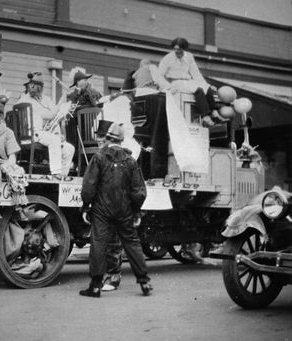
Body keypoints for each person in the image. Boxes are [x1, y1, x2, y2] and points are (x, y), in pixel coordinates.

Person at [79, 123, 152, 297]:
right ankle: (145, 282)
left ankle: (95, 286)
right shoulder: (131, 161)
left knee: (98, 243)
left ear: (107, 139)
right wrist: (136, 211)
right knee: (132, 243)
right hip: (124, 210)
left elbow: (89, 187)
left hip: (102, 210)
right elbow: (139, 192)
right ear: (121, 140)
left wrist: (85, 206)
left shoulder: (98, 157)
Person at [17, 72, 75, 180]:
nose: (31, 89)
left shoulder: (43, 99)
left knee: (69, 149)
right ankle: (56, 173)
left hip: (42, 134)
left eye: (34, 87)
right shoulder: (27, 100)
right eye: (31, 86)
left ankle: (62, 176)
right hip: (33, 134)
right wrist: (63, 97)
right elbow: (52, 114)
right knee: (54, 140)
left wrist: (57, 133)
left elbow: (53, 113)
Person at [158, 37, 219, 127]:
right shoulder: (167, 58)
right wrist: (167, 86)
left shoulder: (189, 56)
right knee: (198, 90)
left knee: (206, 87)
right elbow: (159, 75)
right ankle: (205, 116)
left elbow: (196, 73)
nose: (177, 52)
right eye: (175, 49)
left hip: (188, 81)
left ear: (184, 49)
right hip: (176, 83)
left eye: (180, 50)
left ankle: (214, 112)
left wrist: (207, 84)